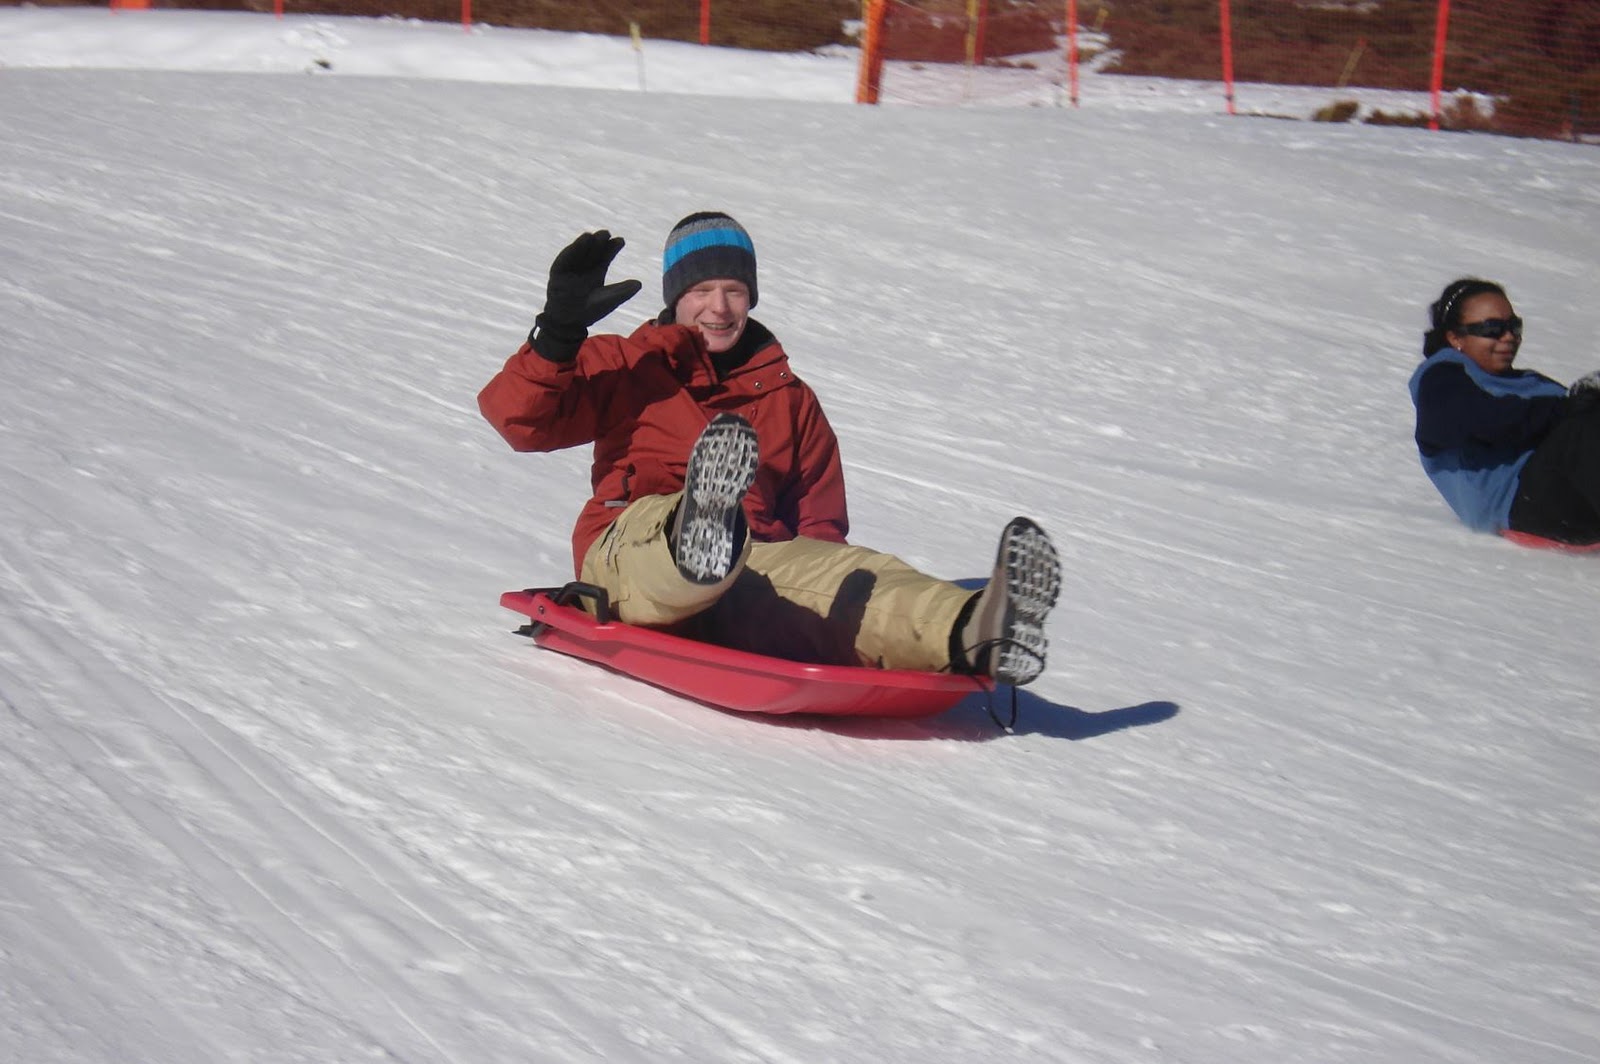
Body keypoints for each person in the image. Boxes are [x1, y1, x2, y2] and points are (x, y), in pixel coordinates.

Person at [479, 212, 1061, 685]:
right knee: (664, 530)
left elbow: (820, 528)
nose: (720, 306)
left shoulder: (791, 399)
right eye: (702, 289)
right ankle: (697, 529)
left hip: (751, 564)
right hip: (627, 550)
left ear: (752, 297)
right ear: (676, 297)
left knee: (844, 578)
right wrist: (555, 336)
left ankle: (974, 627)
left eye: (734, 290)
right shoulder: (628, 364)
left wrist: (814, 609)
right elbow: (519, 422)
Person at [1408, 277, 1600, 545]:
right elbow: (1478, 421)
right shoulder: (1443, 377)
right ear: (1455, 338)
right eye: (1492, 328)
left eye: (1513, 326)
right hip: (1515, 503)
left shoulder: (1529, 383)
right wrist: (1566, 409)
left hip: (1566, 494)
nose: (1508, 336)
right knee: (1583, 430)